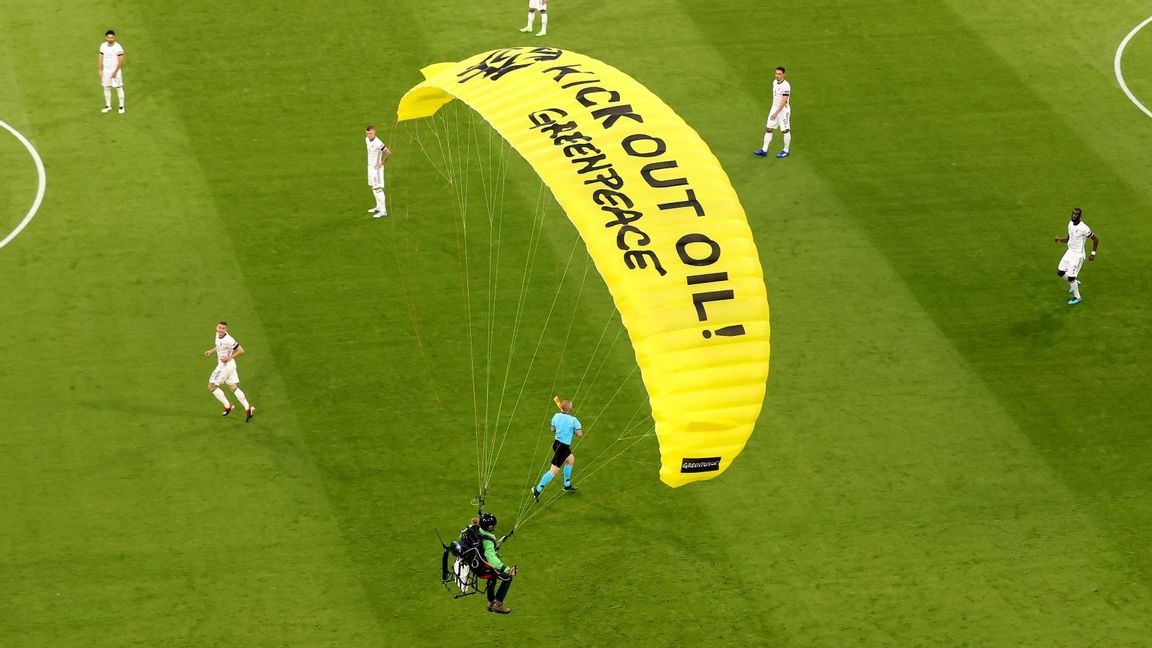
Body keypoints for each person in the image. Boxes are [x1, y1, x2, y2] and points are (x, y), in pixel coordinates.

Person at [203, 321, 255, 422]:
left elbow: (241, 350)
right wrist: (211, 351)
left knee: (211, 386)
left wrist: (229, 357)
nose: (221, 329)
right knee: (233, 387)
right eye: (219, 327)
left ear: (226, 330)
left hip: (225, 366)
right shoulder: (218, 335)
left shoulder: (229, 340)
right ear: (216, 327)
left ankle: (228, 406)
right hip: (230, 366)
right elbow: (219, 346)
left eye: (223, 328)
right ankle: (248, 408)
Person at [532, 398, 582, 501]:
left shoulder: (556, 416)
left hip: (556, 444)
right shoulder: (574, 420)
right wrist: (573, 430)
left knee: (571, 460)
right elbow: (579, 434)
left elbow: (552, 429)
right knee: (553, 471)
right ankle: (538, 488)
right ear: (570, 408)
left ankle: (566, 484)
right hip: (563, 447)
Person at [1055, 207, 1099, 305]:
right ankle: (1075, 283)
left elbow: (1096, 239)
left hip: (1077, 255)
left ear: (1080, 216)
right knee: (1060, 273)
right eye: (1073, 214)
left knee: (1071, 278)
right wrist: (1060, 240)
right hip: (1069, 252)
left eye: (1076, 215)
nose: (1074, 216)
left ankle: (1077, 297)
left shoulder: (1084, 228)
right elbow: (1069, 238)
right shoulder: (1070, 224)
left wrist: (1093, 254)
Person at [475, 513, 516, 614]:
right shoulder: (488, 540)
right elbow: (491, 557)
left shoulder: (474, 530)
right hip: (483, 567)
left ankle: (491, 602)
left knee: (492, 577)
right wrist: (505, 569)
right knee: (508, 577)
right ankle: (498, 604)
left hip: (476, 565)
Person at [754, 67, 790, 159]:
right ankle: (764, 150)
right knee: (769, 129)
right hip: (774, 109)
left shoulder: (786, 86)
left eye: (779, 74)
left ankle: (786, 150)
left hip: (782, 111)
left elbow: (784, 100)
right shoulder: (774, 82)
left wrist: (776, 112)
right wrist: (774, 111)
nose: (777, 76)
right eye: (776, 74)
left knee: (785, 131)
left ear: (783, 75)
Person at [365, 125, 392, 218]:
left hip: (376, 169)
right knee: (373, 187)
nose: (369, 135)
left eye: (370, 133)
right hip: (370, 168)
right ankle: (378, 206)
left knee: (378, 188)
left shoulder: (378, 142)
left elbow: (388, 153)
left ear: (374, 132)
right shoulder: (367, 140)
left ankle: (383, 210)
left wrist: (382, 163)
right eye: (367, 133)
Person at [98, 30, 125, 114]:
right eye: (108, 37)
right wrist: (100, 69)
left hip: (115, 71)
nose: (110, 39)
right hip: (106, 70)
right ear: (106, 38)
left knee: (119, 88)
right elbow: (100, 58)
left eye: (112, 37)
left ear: (114, 37)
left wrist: (115, 71)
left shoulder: (118, 47)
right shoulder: (103, 46)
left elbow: (121, 61)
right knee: (106, 87)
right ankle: (108, 106)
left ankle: (121, 107)